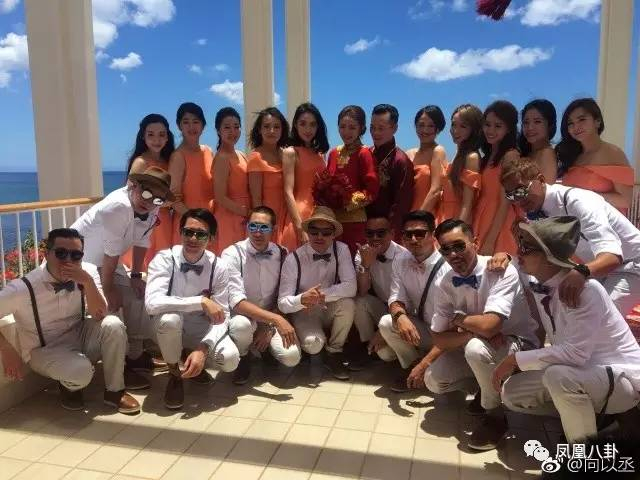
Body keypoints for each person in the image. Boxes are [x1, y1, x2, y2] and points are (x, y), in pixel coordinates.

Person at [495, 216, 640, 444]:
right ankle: (591, 421)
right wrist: (502, 255)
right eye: (519, 243)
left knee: (558, 377)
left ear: (549, 258)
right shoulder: (541, 280)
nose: (518, 251)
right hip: (581, 374)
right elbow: (508, 262)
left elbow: (575, 353)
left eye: (526, 247)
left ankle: (582, 453)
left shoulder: (585, 290)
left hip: (621, 379)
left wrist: (514, 360)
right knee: (512, 392)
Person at [425, 219, 539, 451]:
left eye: (459, 246)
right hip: (479, 344)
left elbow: (490, 326)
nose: (453, 254)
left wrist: (458, 319)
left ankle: (495, 415)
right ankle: (485, 387)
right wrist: (474, 332)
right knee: (435, 379)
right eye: (446, 249)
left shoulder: (500, 270)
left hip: (518, 344)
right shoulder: (445, 282)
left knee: (476, 349)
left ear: (475, 242)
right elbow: (438, 338)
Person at [0, 228, 140, 413]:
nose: (68, 260)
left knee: (113, 324)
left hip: (78, 334)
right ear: (46, 254)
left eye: (76, 255)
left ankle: (115, 391)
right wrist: (6, 348)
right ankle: (70, 386)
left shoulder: (87, 272)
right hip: (45, 348)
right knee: (81, 371)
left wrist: (87, 283)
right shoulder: (23, 289)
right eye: (61, 253)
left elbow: (100, 314)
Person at [71, 166, 174, 389]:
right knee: (113, 308)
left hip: (108, 263)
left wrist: (136, 275)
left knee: (138, 298)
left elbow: (142, 240)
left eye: (158, 199)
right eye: (146, 193)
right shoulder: (118, 206)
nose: (150, 201)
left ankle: (134, 356)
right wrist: (108, 289)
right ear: (133, 186)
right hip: (81, 264)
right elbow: (111, 253)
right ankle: (120, 371)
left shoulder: (153, 205)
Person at [500, 156, 640, 317]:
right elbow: (540, 257)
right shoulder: (534, 211)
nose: (518, 200)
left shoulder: (578, 201)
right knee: (563, 311)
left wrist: (580, 272)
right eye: (511, 196)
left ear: (541, 180)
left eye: (521, 191)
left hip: (631, 265)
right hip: (597, 269)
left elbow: (613, 256)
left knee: (597, 316)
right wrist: (508, 256)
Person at [145, 209, 254, 410]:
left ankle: (192, 358)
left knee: (230, 360)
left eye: (201, 234)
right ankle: (174, 375)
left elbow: (223, 316)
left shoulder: (219, 266)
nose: (193, 238)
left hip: (200, 327)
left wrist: (203, 349)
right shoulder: (164, 259)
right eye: (188, 232)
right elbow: (152, 303)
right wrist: (200, 301)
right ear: (180, 233)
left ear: (211, 238)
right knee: (170, 320)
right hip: (165, 328)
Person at [222, 206, 301, 384]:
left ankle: (264, 349)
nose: (257, 233)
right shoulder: (232, 254)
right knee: (241, 326)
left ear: (274, 229)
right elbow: (236, 302)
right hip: (243, 316)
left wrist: (269, 326)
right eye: (253, 226)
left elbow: (284, 296)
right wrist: (276, 320)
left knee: (292, 357)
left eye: (264, 227)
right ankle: (243, 356)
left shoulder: (283, 253)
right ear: (247, 226)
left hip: (271, 317)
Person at [278, 206, 356, 380]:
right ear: (308, 232)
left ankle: (334, 351)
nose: (319, 236)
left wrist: (320, 296)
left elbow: (351, 287)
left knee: (348, 304)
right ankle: (310, 346)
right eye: (314, 231)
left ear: (334, 234)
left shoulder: (341, 249)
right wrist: (302, 299)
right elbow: (282, 303)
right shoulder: (293, 259)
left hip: (328, 306)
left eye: (326, 232)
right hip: (304, 311)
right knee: (313, 345)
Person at [377, 211, 449, 392]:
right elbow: (396, 297)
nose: (413, 239)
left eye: (420, 233)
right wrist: (400, 316)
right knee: (387, 322)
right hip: (424, 329)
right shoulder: (401, 260)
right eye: (408, 235)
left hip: (449, 336)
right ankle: (411, 367)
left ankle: (425, 367)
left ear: (433, 235)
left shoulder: (449, 264)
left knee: (437, 382)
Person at [556, 98, 633, 214]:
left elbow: (626, 200)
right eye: (570, 123)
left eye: (581, 119)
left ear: (597, 121)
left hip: (605, 222)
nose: (576, 127)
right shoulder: (572, 156)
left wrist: (585, 197)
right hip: (575, 221)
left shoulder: (613, 153)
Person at [353, 215, 406, 368]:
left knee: (385, 354)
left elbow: (409, 300)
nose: (375, 238)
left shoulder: (403, 256)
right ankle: (368, 347)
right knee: (358, 302)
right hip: (383, 306)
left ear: (392, 234)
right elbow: (362, 291)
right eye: (370, 233)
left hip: (404, 310)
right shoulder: (363, 253)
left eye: (381, 233)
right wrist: (366, 265)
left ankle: (407, 362)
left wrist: (382, 332)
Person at [123, 113, 176, 268]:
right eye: (151, 135)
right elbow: (130, 195)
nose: (156, 140)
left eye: (161, 135)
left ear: (167, 137)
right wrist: (165, 203)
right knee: (144, 264)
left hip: (164, 221)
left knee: (162, 265)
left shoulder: (169, 161)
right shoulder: (141, 162)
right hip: (145, 218)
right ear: (143, 137)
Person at [325, 105, 379, 255]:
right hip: (332, 221)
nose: (346, 132)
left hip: (355, 221)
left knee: (353, 261)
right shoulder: (333, 153)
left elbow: (372, 190)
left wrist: (347, 202)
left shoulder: (364, 153)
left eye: (352, 127)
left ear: (361, 128)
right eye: (342, 127)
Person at [474, 100, 520, 255]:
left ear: (509, 129)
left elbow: (505, 201)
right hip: (481, 215)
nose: (490, 130)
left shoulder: (510, 155)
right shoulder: (487, 156)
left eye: (498, 126)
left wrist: (490, 241)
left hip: (499, 222)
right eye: (487, 124)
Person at [282, 102, 329, 249]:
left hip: (320, 215)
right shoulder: (290, 152)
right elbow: (287, 192)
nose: (308, 129)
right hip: (300, 215)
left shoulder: (321, 154)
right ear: (295, 125)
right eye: (303, 124)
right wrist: (300, 227)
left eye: (312, 124)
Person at [169, 102, 215, 247]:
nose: (191, 127)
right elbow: (174, 199)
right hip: (188, 226)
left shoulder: (208, 151)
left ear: (203, 125)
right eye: (186, 122)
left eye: (196, 122)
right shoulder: (178, 156)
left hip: (209, 222)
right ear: (179, 126)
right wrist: (196, 222)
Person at [366, 104, 414, 241]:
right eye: (372, 128)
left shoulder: (401, 161)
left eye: (381, 128)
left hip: (385, 234)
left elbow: (401, 206)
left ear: (394, 128)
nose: (375, 133)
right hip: (363, 227)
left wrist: (389, 237)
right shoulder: (366, 154)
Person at [247, 107, 292, 249]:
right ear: (259, 130)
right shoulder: (256, 157)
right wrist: (263, 227)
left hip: (288, 216)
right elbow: (256, 199)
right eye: (266, 126)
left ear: (282, 130)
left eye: (276, 127)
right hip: (269, 221)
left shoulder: (286, 154)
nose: (271, 131)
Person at [212, 107, 250, 253]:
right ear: (218, 130)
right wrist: (246, 212)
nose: (232, 132)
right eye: (227, 127)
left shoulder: (241, 154)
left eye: (236, 127)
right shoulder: (222, 158)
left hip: (243, 216)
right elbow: (220, 197)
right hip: (229, 217)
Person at [440, 104, 482, 224]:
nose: (455, 130)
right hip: (445, 217)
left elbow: (467, 205)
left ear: (474, 129)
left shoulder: (471, 157)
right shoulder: (458, 155)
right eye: (453, 124)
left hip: (457, 220)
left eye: (463, 126)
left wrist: (458, 230)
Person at [406, 106, 446, 220]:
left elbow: (436, 190)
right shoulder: (408, 154)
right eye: (421, 125)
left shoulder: (438, 151)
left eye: (431, 126)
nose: (425, 130)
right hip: (406, 216)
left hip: (426, 217)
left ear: (438, 128)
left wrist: (418, 219)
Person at [517, 99, 558, 183]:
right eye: (526, 122)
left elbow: (545, 189)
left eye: (537, 122)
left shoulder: (547, 154)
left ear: (550, 125)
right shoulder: (526, 152)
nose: (530, 127)